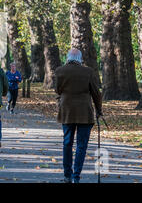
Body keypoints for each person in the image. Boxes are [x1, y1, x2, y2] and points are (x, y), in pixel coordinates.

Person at [55, 48, 103, 184]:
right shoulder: (88, 72)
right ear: (80, 59)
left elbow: (57, 90)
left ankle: (67, 175)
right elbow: (96, 93)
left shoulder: (60, 71)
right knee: (81, 145)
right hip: (84, 112)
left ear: (68, 57)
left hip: (67, 111)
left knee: (67, 143)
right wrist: (99, 110)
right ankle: (76, 176)